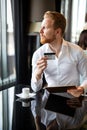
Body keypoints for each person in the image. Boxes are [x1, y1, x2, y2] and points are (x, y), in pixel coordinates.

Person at [31, 11, 87, 130]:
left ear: (57, 31)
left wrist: (81, 88)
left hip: (73, 101)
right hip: (48, 101)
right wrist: (37, 75)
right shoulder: (38, 54)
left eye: (44, 28)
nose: (40, 31)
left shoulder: (77, 51)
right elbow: (35, 88)